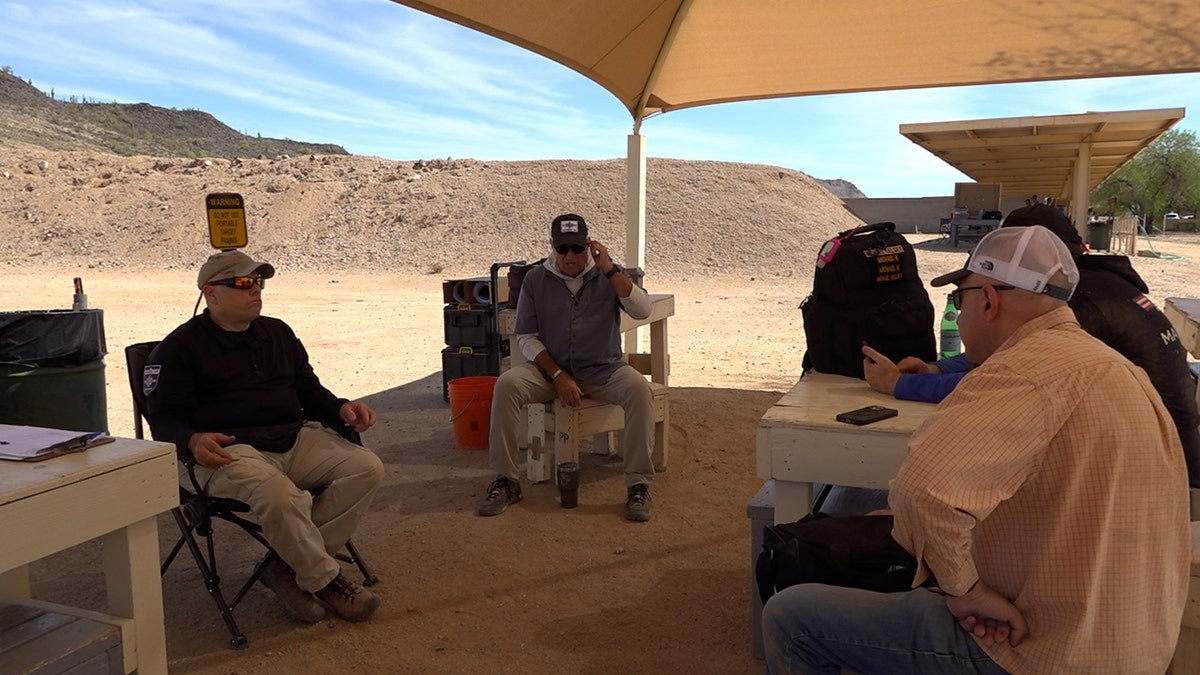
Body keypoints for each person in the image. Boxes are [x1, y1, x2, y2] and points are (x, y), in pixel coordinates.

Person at [763, 226, 1190, 673]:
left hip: (1041, 650)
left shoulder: (1018, 373)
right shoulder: (1117, 369)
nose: (959, 313)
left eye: (958, 299)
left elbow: (922, 495)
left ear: (988, 300)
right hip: (1136, 647)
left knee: (792, 618)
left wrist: (967, 593)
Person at [862, 203, 1200, 489]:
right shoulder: (1092, 285)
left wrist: (899, 384)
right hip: (1159, 451)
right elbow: (1006, 352)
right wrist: (936, 369)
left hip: (1156, 474)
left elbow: (1002, 381)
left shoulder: (1075, 301)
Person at [144, 250, 385, 623]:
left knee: (366, 467)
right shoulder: (179, 348)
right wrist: (192, 440)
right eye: (243, 283)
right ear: (210, 292)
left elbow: (308, 390)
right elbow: (162, 420)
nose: (255, 289)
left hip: (290, 438)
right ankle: (327, 582)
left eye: (258, 282)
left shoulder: (278, 333)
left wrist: (340, 408)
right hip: (227, 450)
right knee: (280, 495)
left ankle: (285, 569)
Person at [476, 213, 656, 521]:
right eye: (562, 249)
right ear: (552, 246)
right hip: (550, 372)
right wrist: (558, 375)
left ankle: (638, 484)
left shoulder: (609, 275)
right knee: (506, 384)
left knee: (639, 389)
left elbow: (642, 310)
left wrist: (609, 268)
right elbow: (527, 337)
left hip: (602, 369)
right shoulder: (535, 280)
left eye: (576, 248)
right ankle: (506, 480)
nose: (569, 256)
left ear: (589, 246)